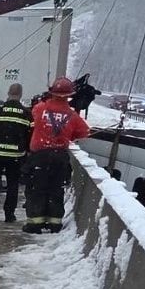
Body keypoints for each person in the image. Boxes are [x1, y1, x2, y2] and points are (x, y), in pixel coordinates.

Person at [23, 77, 91, 234]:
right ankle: (54, 223)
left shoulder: (40, 108)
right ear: (69, 96)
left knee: (37, 189)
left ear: (51, 92)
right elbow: (85, 132)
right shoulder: (72, 115)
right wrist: (68, 135)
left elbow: (33, 118)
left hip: (39, 156)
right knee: (56, 190)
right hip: (59, 157)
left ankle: (34, 223)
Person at [0, 83, 33, 222]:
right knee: (13, 185)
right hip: (15, 157)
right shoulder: (26, 114)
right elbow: (30, 135)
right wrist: (26, 151)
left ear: (8, 93)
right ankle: (9, 214)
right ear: (20, 95)